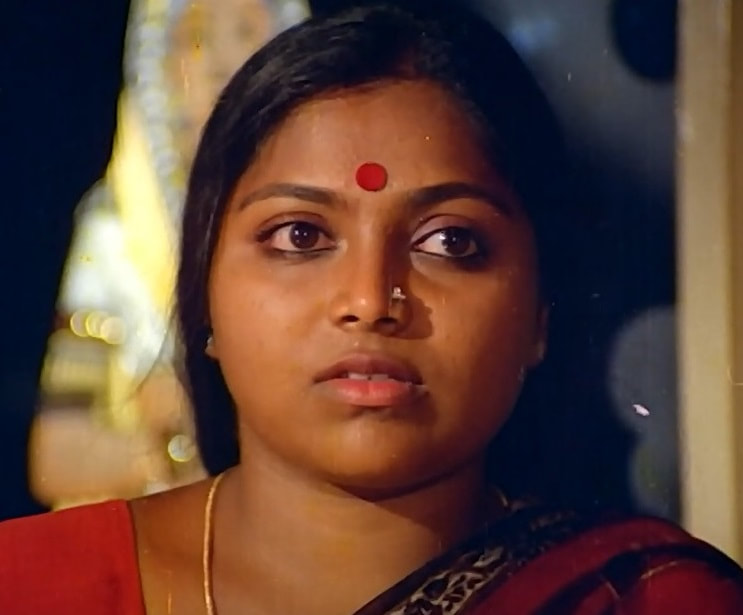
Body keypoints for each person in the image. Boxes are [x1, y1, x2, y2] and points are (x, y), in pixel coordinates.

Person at [1, 2, 742, 613]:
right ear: (204, 298)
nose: (369, 301)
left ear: (540, 314)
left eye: (450, 241)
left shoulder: (649, 601)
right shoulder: (29, 585)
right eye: (300, 236)